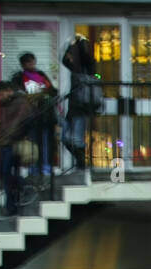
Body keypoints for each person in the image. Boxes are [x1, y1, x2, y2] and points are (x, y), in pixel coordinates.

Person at [10, 52, 58, 178]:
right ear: (23, 64)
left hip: (45, 115)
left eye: (32, 61)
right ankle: (34, 169)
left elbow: (52, 91)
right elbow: (17, 95)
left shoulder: (41, 75)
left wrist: (43, 95)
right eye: (27, 62)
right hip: (30, 116)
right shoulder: (19, 78)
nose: (31, 64)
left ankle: (46, 167)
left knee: (45, 143)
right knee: (33, 144)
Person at [61, 34, 98, 170]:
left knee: (75, 139)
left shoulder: (86, 67)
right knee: (67, 137)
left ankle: (81, 164)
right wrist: (73, 44)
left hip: (80, 107)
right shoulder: (77, 67)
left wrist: (78, 42)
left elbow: (80, 57)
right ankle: (81, 162)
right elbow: (64, 60)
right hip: (75, 107)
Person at [0, 81, 31, 214]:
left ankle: (20, 193)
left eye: (0, 94)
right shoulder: (8, 104)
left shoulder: (20, 102)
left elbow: (18, 122)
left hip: (14, 142)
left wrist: (8, 136)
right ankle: (13, 203)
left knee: (7, 173)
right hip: (8, 142)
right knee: (7, 174)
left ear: (8, 90)